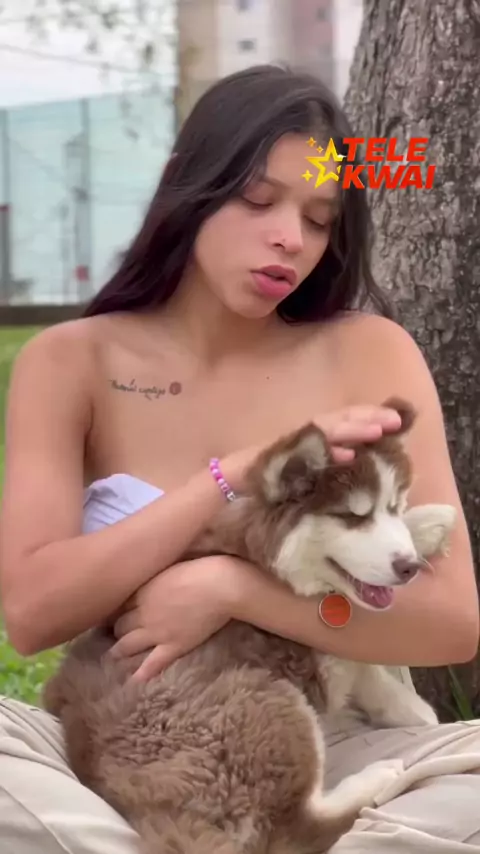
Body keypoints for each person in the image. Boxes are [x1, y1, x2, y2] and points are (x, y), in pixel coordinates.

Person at [0, 63, 478, 854]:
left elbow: (451, 627)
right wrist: (227, 479)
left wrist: (232, 589)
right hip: (121, 756)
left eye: (320, 219)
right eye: (259, 201)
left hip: (332, 740)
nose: (290, 237)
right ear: (185, 187)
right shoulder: (74, 359)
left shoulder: (369, 350)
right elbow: (30, 613)